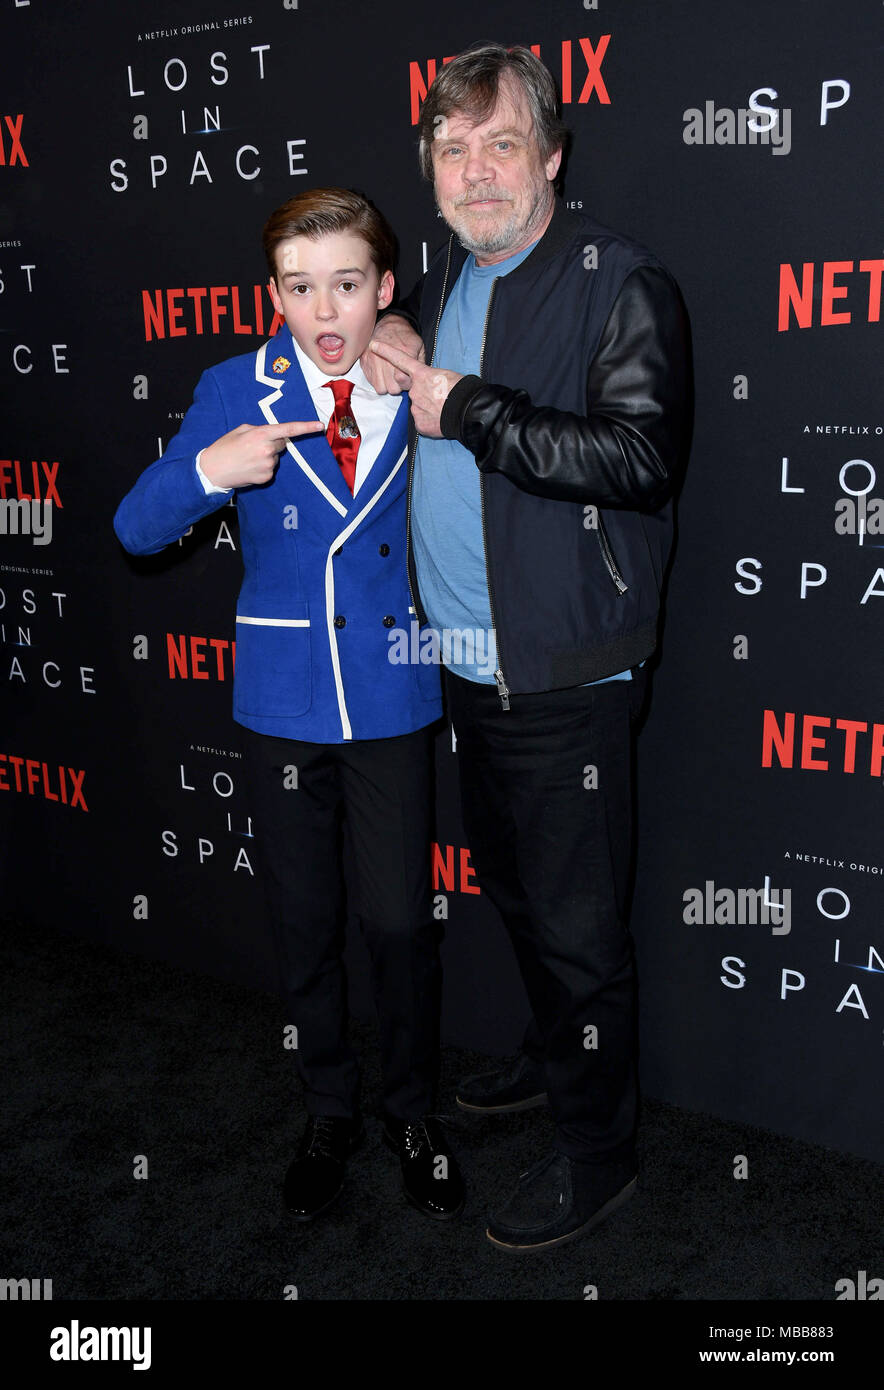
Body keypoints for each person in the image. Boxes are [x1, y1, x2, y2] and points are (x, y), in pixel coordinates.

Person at [363, 43, 690, 1251]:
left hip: (564, 669)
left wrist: (469, 408)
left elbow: (639, 460)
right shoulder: (452, 272)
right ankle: (561, 1065)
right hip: (463, 658)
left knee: (576, 926)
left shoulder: (622, 281)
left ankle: (600, 1153)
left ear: (551, 154)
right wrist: (401, 340)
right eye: (451, 150)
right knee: (516, 889)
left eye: (501, 143)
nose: (475, 168)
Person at [114, 188, 465, 1224]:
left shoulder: (415, 378)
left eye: (348, 285)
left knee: (401, 924)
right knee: (303, 921)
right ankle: (328, 1108)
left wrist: (404, 352)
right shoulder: (234, 385)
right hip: (281, 699)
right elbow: (136, 527)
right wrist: (208, 474)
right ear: (273, 292)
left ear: (383, 289)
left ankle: (410, 1111)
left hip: (393, 694)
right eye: (300, 286)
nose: (325, 310)